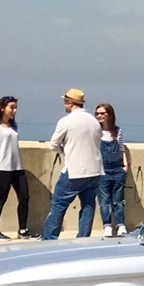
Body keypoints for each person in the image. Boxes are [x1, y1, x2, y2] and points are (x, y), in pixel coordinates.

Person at [40, 88, 104, 240]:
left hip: (74, 170)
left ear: (70, 102)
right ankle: (83, 238)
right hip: (95, 170)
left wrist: (65, 150)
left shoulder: (66, 121)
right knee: (88, 206)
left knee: (58, 205)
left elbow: (53, 145)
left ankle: (49, 239)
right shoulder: (94, 121)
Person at [0, 95, 31, 239]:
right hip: (2, 167)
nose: (14, 110)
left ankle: (22, 230)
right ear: (2, 108)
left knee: (24, 196)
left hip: (17, 167)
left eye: (16, 108)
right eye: (12, 107)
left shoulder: (13, 125)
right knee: (1, 198)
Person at [93, 102, 130, 237]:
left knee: (118, 200)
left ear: (109, 114)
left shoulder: (117, 131)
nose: (99, 116)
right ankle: (107, 225)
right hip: (102, 170)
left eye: (102, 113)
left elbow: (121, 148)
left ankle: (121, 225)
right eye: (97, 113)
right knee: (104, 200)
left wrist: (125, 165)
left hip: (117, 169)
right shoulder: (95, 131)